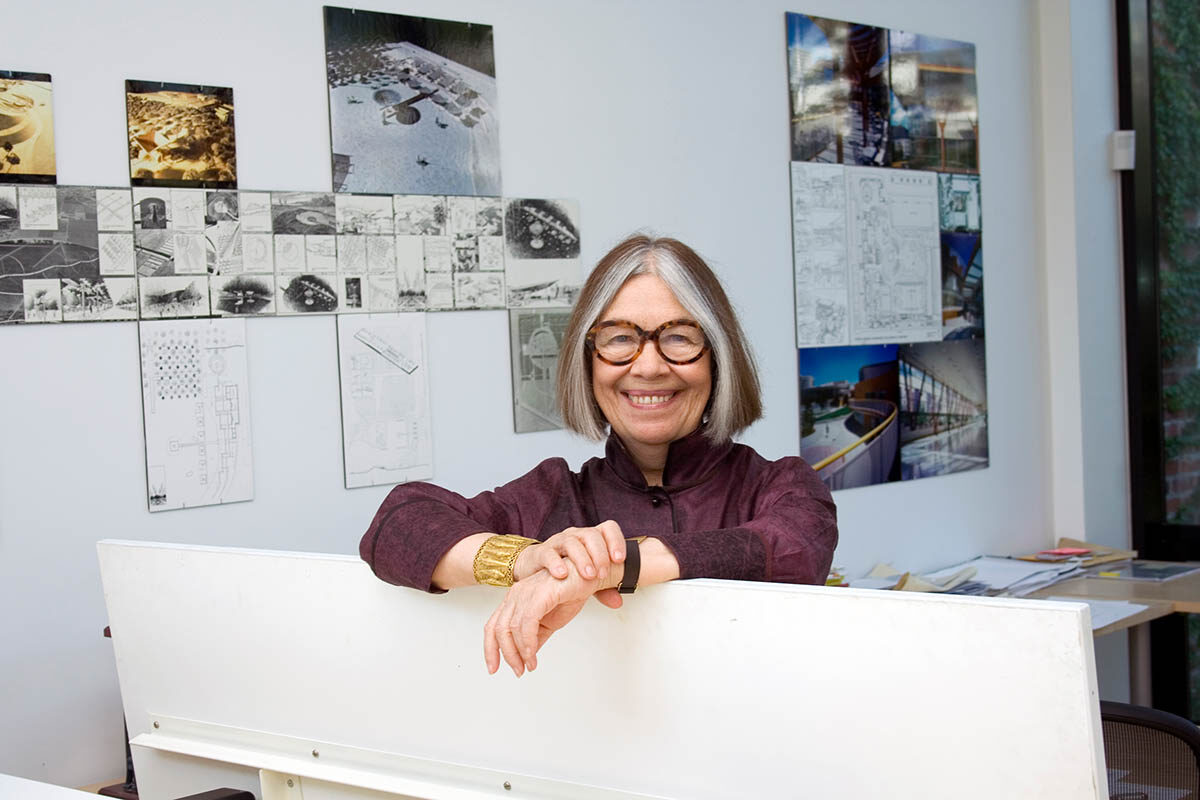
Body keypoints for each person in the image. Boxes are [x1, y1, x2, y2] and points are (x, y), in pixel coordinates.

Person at [360, 233, 837, 677]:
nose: (648, 366)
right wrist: (526, 561)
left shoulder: (782, 486)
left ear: (717, 357)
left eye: (679, 337)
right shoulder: (551, 494)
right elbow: (398, 523)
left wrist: (611, 566)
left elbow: (793, 546)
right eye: (619, 339)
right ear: (587, 362)